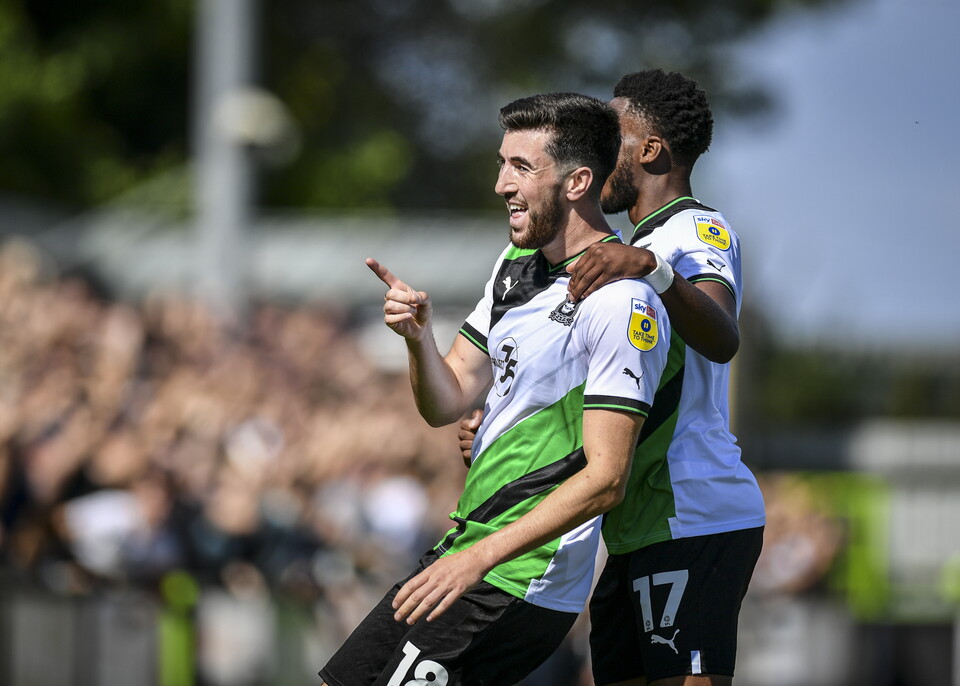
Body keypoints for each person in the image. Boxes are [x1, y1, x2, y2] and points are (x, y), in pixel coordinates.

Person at [318, 92, 672, 685]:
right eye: (502, 163)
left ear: (578, 181)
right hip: (465, 553)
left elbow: (607, 478)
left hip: (519, 577)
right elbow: (448, 400)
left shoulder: (620, 302)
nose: (501, 184)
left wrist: (480, 558)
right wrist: (418, 339)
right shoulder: (516, 265)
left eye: (521, 167)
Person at [458, 69, 767, 686]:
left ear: (649, 150)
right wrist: (496, 426)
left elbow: (723, 337)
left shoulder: (691, 231)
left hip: (692, 509)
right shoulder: (620, 245)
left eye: (612, 136)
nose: (597, 150)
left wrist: (653, 269)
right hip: (629, 525)